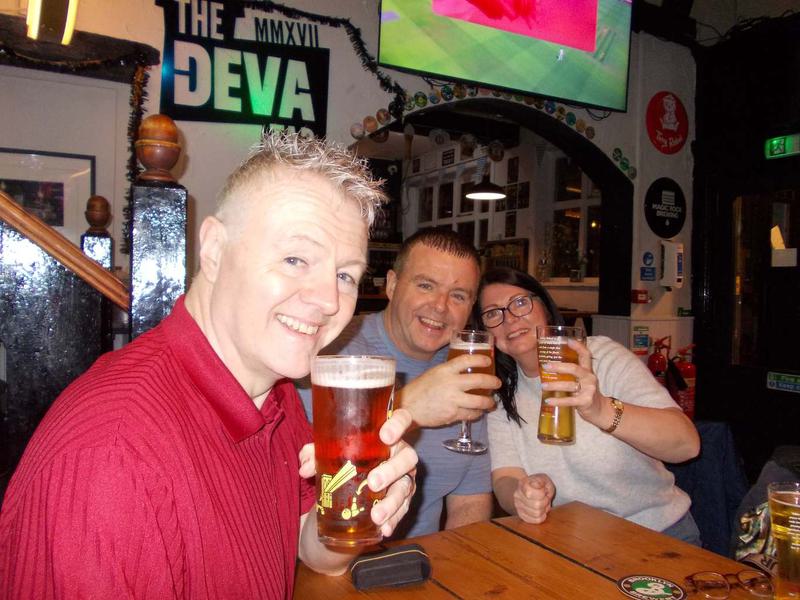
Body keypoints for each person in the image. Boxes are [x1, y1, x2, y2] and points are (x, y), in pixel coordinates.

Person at [0, 132, 418, 599]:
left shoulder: (275, 391)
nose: (328, 301)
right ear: (215, 250)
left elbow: (310, 545)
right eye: (295, 258)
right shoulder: (112, 457)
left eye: (344, 275)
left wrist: (358, 509)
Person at [475, 266, 702, 543]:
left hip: (657, 535)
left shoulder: (602, 358)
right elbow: (505, 476)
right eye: (492, 313)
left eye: (520, 302)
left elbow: (686, 445)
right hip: (571, 542)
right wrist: (522, 495)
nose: (509, 318)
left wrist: (601, 409)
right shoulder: (500, 394)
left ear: (544, 306)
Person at [298, 228, 500, 539]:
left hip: (426, 560)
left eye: (458, 296)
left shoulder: (465, 371)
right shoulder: (327, 353)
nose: (440, 306)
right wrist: (408, 406)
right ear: (392, 285)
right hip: (336, 552)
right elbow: (303, 494)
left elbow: (470, 500)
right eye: (426, 285)